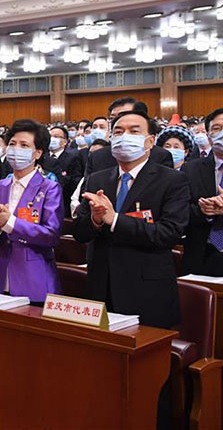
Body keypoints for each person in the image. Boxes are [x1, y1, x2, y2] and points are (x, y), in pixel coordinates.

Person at [73, 110, 188, 328]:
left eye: (134, 131)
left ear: (150, 141)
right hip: (101, 285)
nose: (125, 136)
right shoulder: (97, 179)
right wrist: (96, 220)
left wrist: (115, 219)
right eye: (118, 131)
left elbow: (168, 233)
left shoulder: (172, 180)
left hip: (147, 289)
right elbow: (79, 232)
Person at [0, 120, 63, 303]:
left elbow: (51, 236)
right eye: (13, 144)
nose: (16, 149)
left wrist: (9, 223)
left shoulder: (49, 188)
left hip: (34, 279)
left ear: (38, 153)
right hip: (0, 275)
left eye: (24, 145)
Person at [182, 108, 223, 276]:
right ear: (209, 136)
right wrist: (205, 212)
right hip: (202, 254)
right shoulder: (191, 169)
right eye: (217, 128)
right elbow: (178, 210)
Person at [84, 98, 173, 176]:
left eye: (124, 116)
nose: (118, 121)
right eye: (112, 118)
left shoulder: (161, 156)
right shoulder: (97, 157)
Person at [41, 125, 83, 205]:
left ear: (65, 142)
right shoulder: (42, 156)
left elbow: (73, 181)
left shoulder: (73, 157)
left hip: (63, 200)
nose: (52, 139)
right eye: (50, 136)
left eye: (56, 136)